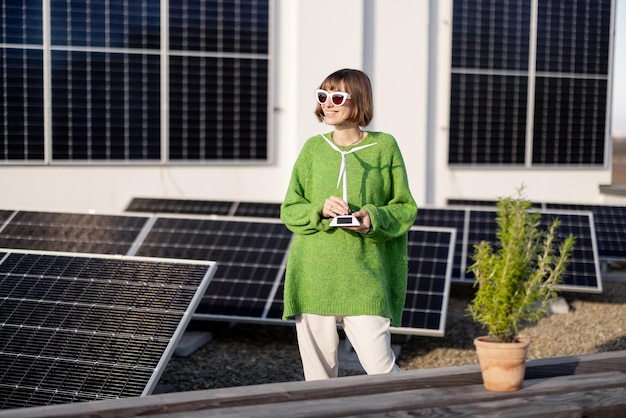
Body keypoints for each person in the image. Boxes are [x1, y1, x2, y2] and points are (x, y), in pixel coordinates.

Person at [280, 68, 418, 380]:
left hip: (365, 276)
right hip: (314, 276)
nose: (328, 103)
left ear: (359, 101)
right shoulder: (313, 149)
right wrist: (319, 207)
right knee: (318, 379)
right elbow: (290, 209)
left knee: (382, 371)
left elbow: (405, 208)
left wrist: (373, 217)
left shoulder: (385, 146)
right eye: (323, 96)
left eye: (337, 97)